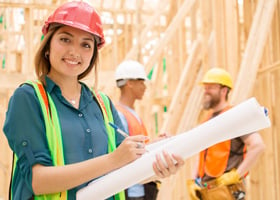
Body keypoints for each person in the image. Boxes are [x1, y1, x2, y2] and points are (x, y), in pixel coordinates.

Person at [2, 2, 184, 200]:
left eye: (86, 44)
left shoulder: (102, 104)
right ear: (47, 45)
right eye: (65, 39)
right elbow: (38, 181)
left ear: (93, 55)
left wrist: (156, 165)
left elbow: (125, 169)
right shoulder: (29, 98)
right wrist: (113, 160)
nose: (75, 51)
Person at [188, 67, 266, 200]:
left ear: (224, 90)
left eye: (210, 87)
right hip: (207, 189)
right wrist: (193, 180)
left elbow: (258, 145)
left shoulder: (235, 117)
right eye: (205, 87)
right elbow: (201, 154)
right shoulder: (207, 119)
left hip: (227, 190)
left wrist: (236, 176)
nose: (205, 91)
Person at [114, 60, 162, 200]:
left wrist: (157, 143)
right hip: (132, 191)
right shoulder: (120, 115)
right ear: (129, 83)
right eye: (141, 81)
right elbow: (124, 154)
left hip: (143, 187)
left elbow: (139, 148)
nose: (144, 86)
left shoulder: (131, 113)